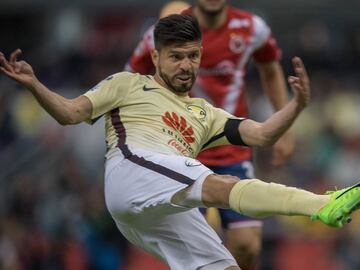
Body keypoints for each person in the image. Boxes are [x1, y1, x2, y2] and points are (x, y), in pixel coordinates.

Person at [1, 14, 359, 270]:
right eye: (175, 56)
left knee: (221, 265)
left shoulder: (206, 114)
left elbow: (263, 134)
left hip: (161, 200)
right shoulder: (127, 84)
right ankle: (321, 205)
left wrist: (295, 107)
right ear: (155, 57)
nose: (186, 65)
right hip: (131, 173)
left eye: (193, 56)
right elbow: (69, 113)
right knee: (221, 184)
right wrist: (34, 85)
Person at [125, 1, 293, 268]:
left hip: (232, 148)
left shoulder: (252, 28)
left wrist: (284, 131)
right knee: (195, 249)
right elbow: (130, 77)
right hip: (182, 152)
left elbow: (271, 70)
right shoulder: (167, 30)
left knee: (247, 245)